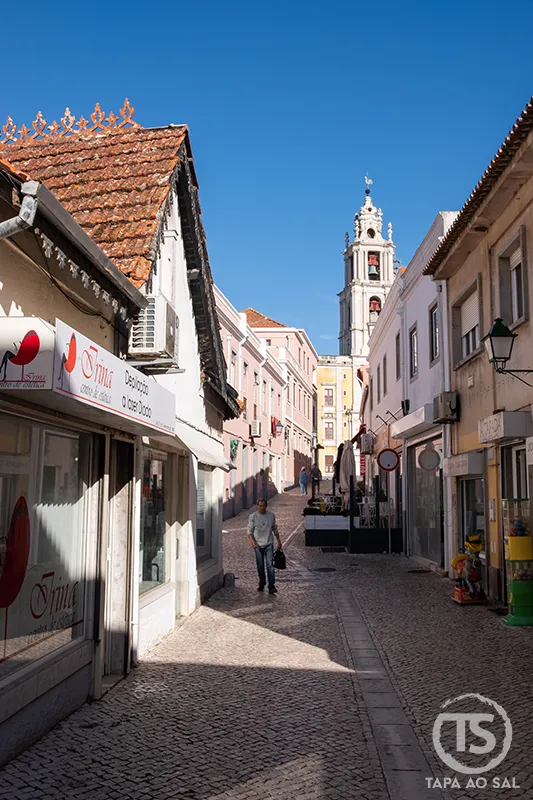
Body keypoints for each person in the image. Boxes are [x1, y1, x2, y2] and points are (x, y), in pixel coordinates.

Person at [247, 499, 283, 594]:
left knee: (270, 565)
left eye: (264, 506)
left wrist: (279, 540)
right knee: (260, 566)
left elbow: (274, 528)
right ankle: (262, 583)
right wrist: (253, 543)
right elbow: (249, 532)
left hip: (269, 544)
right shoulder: (253, 517)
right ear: (257, 506)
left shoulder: (271, 515)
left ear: (266, 506)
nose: (262, 508)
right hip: (258, 545)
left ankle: (271, 586)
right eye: (260, 506)